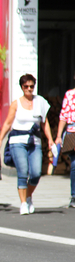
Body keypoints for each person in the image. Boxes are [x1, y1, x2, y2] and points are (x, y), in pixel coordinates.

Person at [0, 74, 54, 215]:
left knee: (35, 173)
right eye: (26, 86)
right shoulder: (16, 103)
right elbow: (8, 123)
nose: (29, 89)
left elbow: (44, 123)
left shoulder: (40, 101)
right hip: (17, 141)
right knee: (22, 172)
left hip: (34, 141)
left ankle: (28, 196)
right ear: (22, 87)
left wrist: (51, 140)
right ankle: (23, 203)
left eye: (31, 86)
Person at [55, 75, 75, 208]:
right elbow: (63, 115)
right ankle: (74, 195)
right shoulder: (69, 94)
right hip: (72, 132)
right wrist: (58, 136)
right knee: (74, 165)